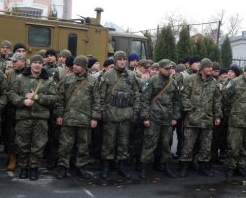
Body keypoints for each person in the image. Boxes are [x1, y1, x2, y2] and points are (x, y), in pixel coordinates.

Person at [8, 54, 57, 180]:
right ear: (31, 64)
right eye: (35, 62)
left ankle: (34, 168)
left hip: (40, 118)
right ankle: (24, 167)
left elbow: (53, 98)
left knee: (39, 144)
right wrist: (23, 101)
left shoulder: (49, 80)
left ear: (42, 64)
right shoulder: (20, 78)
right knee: (22, 144)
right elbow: (11, 94)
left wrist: (37, 97)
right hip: (23, 117)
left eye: (40, 63)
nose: (37, 65)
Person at [55, 55, 99, 179]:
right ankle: (62, 167)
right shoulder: (67, 79)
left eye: (78, 65)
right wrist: (59, 114)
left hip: (85, 119)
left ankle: (81, 167)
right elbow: (60, 99)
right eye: (74, 64)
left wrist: (94, 117)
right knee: (65, 145)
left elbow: (97, 100)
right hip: (68, 118)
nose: (74, 66)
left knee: (84, 145)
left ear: (84, 66)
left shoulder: (93, 81)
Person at [98, 51, 140, 179]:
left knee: (123, 143)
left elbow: (136, 94)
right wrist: (103, 113)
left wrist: (135, 111)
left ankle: (122, 166)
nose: (123, 62)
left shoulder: (131, 76)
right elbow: (101, 96)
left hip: (126, 115)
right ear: (115, 60)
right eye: (120, 59)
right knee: (108, 142)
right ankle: (106, 166)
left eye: (124, 59)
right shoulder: (108, 75)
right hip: (111, 115)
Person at [179, 58, 222, 177]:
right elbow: (184, 96)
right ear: (202, 68)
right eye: (208, 66)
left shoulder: (214, 82)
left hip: (207, 119)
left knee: (206, 145)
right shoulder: (191, 79)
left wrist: (217, 115)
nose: (210, 69)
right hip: (193, 119)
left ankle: (203, 166)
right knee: (188, 144)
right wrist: (190, 110)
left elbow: (217, 101)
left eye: (211, 67)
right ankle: (184, 166)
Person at [139, 59, 180, 179]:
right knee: (149, 143)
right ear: (160, 68)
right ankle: (144, 167)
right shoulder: (152, 81)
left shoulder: (173, 83)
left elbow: (177, 102)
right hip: (153, 118)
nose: (169, 71)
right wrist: (145, 117)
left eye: (170, 68)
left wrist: (175, 117)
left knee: (166, 144)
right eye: (166, 68)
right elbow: (145, 100)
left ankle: (165, 166)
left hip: (167, 119)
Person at [4, 53, 27, 171]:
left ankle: (22, 158)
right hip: (11, 109)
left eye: (15, 61)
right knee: (11, 135)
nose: (12, 63)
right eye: (12, 61)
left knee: (23, 135)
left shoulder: (28, 73)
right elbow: (5, 89)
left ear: (23, 61)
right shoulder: (9, 73)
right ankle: (12, 157)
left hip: (25, 108)